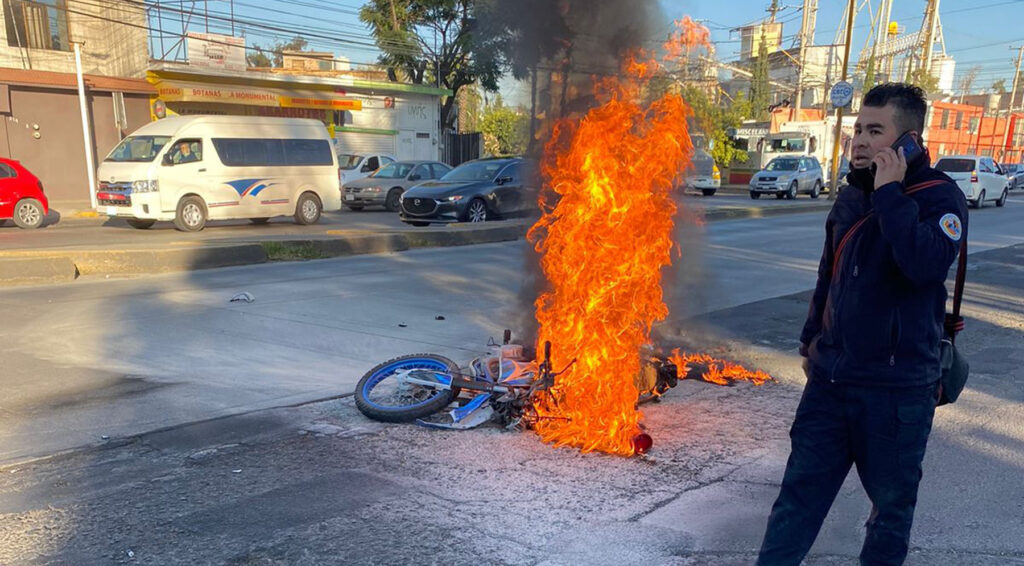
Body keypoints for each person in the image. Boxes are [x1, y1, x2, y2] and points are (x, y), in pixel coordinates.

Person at [755, 83, 969, 566]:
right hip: (831, 385)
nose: (860, 141)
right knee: (796, 503)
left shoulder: (940, 198)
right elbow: (828, 274)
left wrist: (891, 193)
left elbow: (923, 263)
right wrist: (811, 341)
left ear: (908, 140)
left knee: (890, 513)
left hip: (897, 393)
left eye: (876, 131)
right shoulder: (852, 197)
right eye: (857, 130)